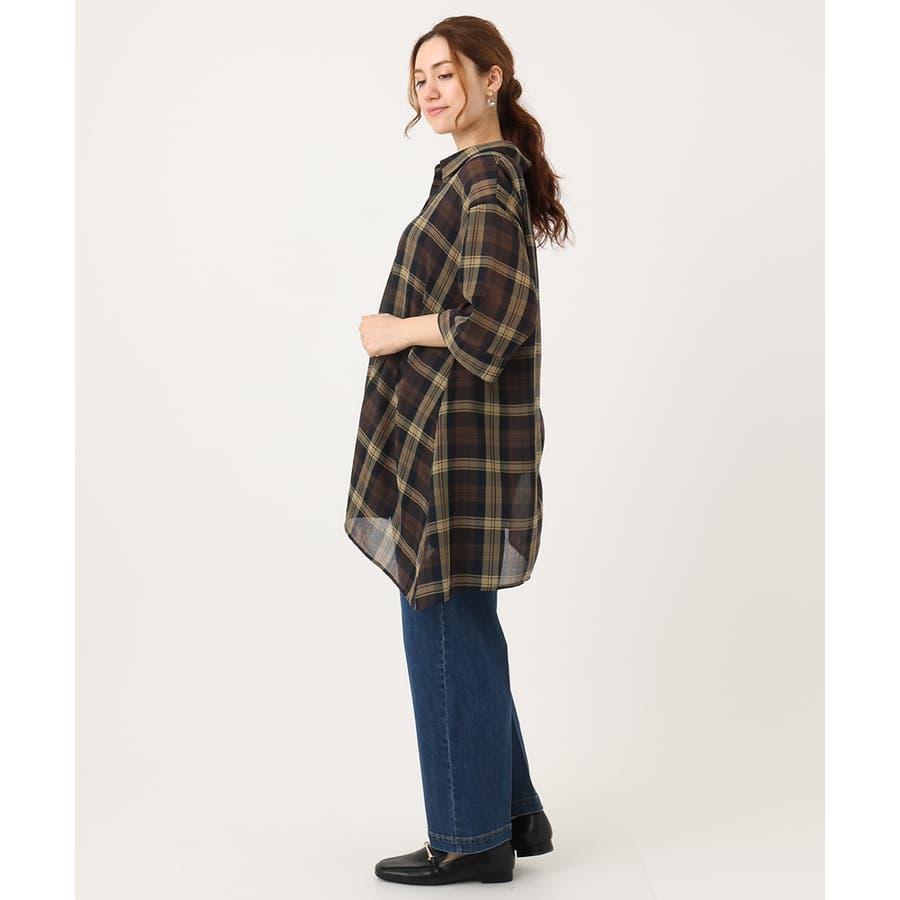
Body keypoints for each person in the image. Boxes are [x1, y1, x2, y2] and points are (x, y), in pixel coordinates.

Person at [343, 14, 571, 886]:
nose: (430, 91)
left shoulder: (483, 181)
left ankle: (471, 840)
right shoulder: (480, 177)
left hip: (454, 445)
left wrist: (397, 330)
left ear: (492, 79)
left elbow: (493, 324)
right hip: (458, 440)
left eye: (444, 73)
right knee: (464, 617)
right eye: (420, 80)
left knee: (437, 616)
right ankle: (512, 811)